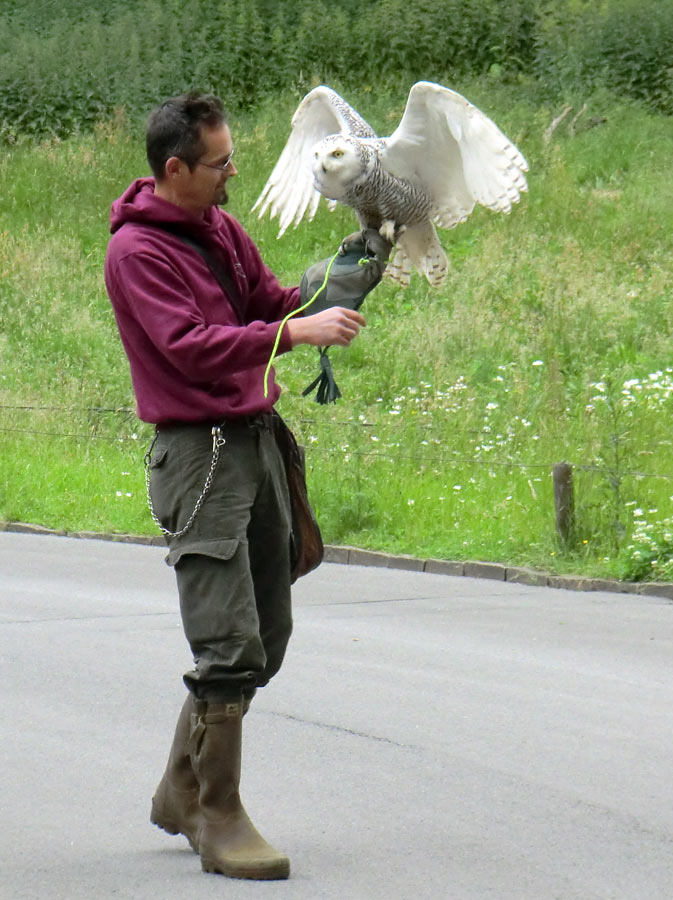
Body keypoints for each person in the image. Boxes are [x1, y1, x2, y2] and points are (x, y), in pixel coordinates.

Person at [104, 92, 390, 881]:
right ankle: (217, 813)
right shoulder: (138, 253)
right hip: (199, 458)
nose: (234, 171)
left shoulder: (219, 227)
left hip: (256, 443)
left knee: (266, 635)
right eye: (221, 162)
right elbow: (191, 348)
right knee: (226, 642)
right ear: (174, 169)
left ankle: (180, 787)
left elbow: (264, 301)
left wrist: (335, 279)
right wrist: (293, 332)